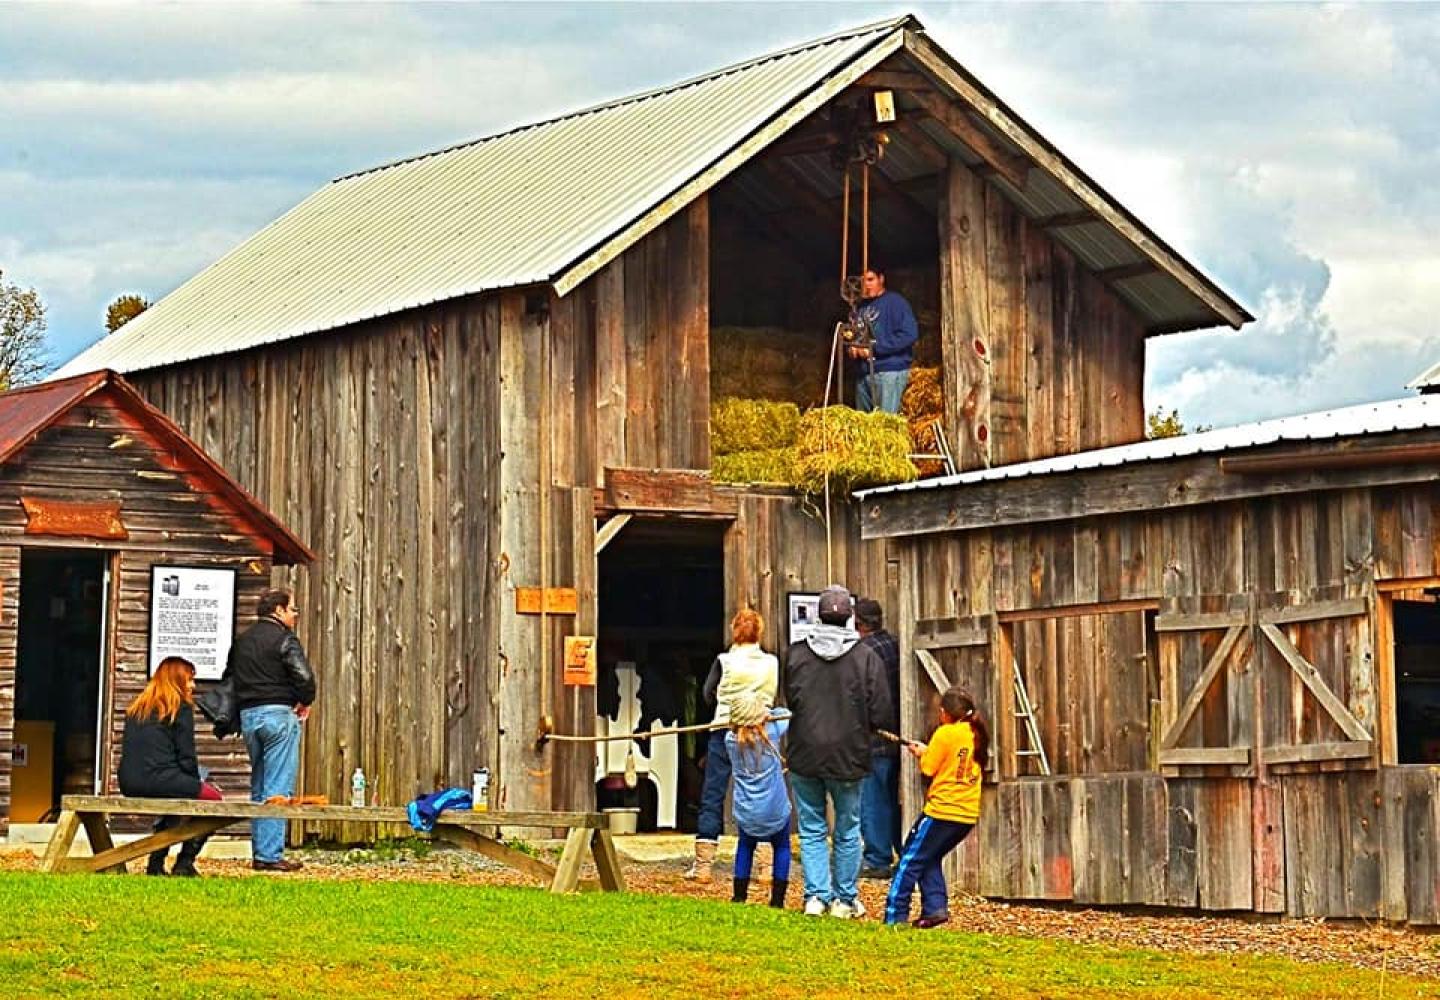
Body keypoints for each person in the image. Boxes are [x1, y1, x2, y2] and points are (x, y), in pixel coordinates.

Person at [783, 584, 892, 918]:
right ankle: (844, 900)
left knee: (813, 828)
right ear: (849, 618)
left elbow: (792, 700)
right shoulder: (865, 657)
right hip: (850, 752)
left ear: (819, 615)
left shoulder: (797, 654)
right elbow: (881, 712)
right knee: (847, 828)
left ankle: (816, 897)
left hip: (805, 752)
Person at [225, 588, 316, 872]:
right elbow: (304, 677)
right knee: (277, 786)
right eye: (293, 609)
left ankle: (261, 850)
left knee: (260, 783)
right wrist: (305, 700)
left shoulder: (242, 640)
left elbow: (231, 675)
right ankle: (269, 856)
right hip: (278, 713)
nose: (296, 615)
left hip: (249, 716)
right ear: (278, 610)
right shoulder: (285, 639)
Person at [883, 686, 989, 928]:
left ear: (944, 713)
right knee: (928, 857)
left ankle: (894, 914)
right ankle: (935, 908)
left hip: (942, 811)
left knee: (909, 859)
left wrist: (922, 753)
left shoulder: (945, 734)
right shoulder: (974, 733)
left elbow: (929, 768)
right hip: (966, 814)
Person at [687, 607, 779, 882]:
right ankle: (764, 867)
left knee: (713, 794)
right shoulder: (771, 663)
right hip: (758, 733)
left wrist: (724, 707)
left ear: (734, 630)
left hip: (724, 729)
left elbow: (707, 694)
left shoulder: (724, 661)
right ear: (759, 631)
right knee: (758, 794)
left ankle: (703, 866)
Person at [118, 656, 224, 876]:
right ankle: (185, 862)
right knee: (214, 800)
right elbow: (186, 755)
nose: (193, 686)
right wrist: (196, 784)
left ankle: (156, 864)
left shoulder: (138, 708)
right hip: (160, 778)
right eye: (190, 680)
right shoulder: (180, 707)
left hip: (130, 782)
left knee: (175, 798)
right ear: (177, 680)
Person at [724, 693, 793, 909]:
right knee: (781, 847)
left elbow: (736, 728)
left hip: (748, 811)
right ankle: (777, 900)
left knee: (745, 846)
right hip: (774, 810)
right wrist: (768, 714)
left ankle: (739, 895)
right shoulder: (771, 732)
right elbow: (785, 715)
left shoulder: (730, 741)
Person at [856, 597, 902, 879]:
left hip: (874, 737)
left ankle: (877, 858)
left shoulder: (863, 652)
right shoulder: (895, 645)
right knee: (893, 799)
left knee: (872, 800)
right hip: (899, 734)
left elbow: (863, 696)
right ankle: (903, 850)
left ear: (858, 623)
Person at [847, 266, 918, 414]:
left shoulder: (895, 302)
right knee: (863, 426)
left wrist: (875, 348)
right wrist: (853, 348)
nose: (866, 285)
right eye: (862, 281)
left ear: (881, 279)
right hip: (864, 375)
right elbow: (855, 335)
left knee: (885, 426)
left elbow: (909, 334)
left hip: (888, 372)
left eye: (870, 279)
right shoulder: (860, 307)